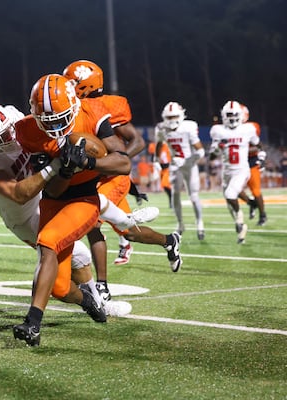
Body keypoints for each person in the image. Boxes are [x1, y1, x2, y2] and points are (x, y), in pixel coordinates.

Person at [0, 102, 156, 317]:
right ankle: (90, 303)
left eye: (10, 128)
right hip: (25, 214)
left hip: (45, 193)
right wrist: (54, 165)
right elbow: (20, 194)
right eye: (2, 136)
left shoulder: (12, 117)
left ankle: (124, 222)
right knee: (79, 256)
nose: (11, 135)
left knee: (89, 200)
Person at [12, 73, 132, 346]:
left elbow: (123, 163)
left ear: (74, 106)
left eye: (59, 117)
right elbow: (53, 190)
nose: (54, 124)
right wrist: (64, 169)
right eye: (48, 119)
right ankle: (87, 300)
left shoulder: (92, 111)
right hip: (53, 200)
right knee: (60, 288)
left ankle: (33, 323)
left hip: (85, 199)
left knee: (48, 242)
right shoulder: (28, 130)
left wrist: (89, 164)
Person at [63, 59, 181, 301]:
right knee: (128, 232)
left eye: (73, 82)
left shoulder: (109, 105)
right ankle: (169, 240)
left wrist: (113, 161)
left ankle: (102, 286)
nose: (68, 87)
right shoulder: (73, 107)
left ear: (87, 83)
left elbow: (136, 141)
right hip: (92, 174)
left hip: (113, 176)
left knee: (93, 222)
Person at [209, 100, 260, 244]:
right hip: (227, 172)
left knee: (230, 194)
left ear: (240, 115)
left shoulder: (248, 129)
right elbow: (212, 156)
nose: (232, 117)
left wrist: (261, 156)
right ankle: (243, 227)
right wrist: (217, 149)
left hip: (242, 170)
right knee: (229, 204)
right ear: (224, 116)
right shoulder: (217, 130)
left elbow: (258, 144)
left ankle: (240, 218)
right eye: (229, 114)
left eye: (234, 114)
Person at [155, 101, 206, 239]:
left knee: (193, 196)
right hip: (174, 165)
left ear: (181, 116)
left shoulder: (188, 127)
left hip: (189, 164)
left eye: (174, 117)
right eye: (169, 117)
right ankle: (180, 224)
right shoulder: (161, 129)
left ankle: (199, 223)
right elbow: (159, 145)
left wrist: (188, 160)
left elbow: (200, 151)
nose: (171, 120)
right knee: (175, 195)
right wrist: (156, 159)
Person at [237, 104, 267, 226]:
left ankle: (263, 214)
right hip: (238, 162)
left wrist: (261, 157)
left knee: (255, 191)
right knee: (235, 190)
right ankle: (251, 203)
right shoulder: (227, 130)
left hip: (251, 161)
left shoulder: (252, 127)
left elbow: (257, 145)